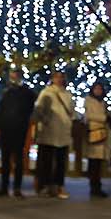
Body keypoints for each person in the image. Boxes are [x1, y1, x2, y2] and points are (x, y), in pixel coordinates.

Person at [0, 65, 36, 197]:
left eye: (16, 74)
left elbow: (30, 107)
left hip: (19, 128)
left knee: (18, 159)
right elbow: (0, 110)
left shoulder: (27, 92)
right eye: (12, 74)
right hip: (6, 127)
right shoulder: (5, 91)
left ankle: (17, 187)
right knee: (5, 158)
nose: (14, 77)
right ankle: (4, 186)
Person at [32, 69, 75, 199]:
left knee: (61, 161)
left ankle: (58, 185)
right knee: (46, 160)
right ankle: (44, 185)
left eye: (61, 77)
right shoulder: (46, 93)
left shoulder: (67, 94)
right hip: (48, 131)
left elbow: (71, 111)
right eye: (57, 77)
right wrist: (45, 121)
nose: (59, 79)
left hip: (63, 131)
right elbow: (39, 110)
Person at [81, 80, 111, 198]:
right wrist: (104, 118)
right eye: (96, 89)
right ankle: (94, 186)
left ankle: (97, 185)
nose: (98, 91)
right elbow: (89, 116)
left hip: (102, 133)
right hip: (94, 132)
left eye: (100, 89)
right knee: (94, 162)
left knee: (98, 163)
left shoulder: (102, 102)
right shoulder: (89, 101)